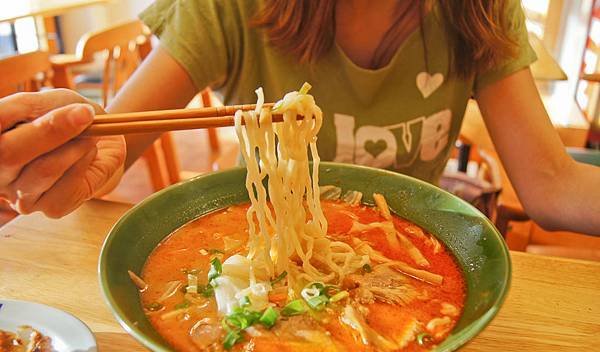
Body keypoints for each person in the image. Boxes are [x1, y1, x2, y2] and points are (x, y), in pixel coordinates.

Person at [0, 0, 599, 235]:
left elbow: (552, 184)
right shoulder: (228, 7)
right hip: (259, 245)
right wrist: (75, 153)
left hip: (403, 247)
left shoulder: (481, 11)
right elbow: (113, 146)